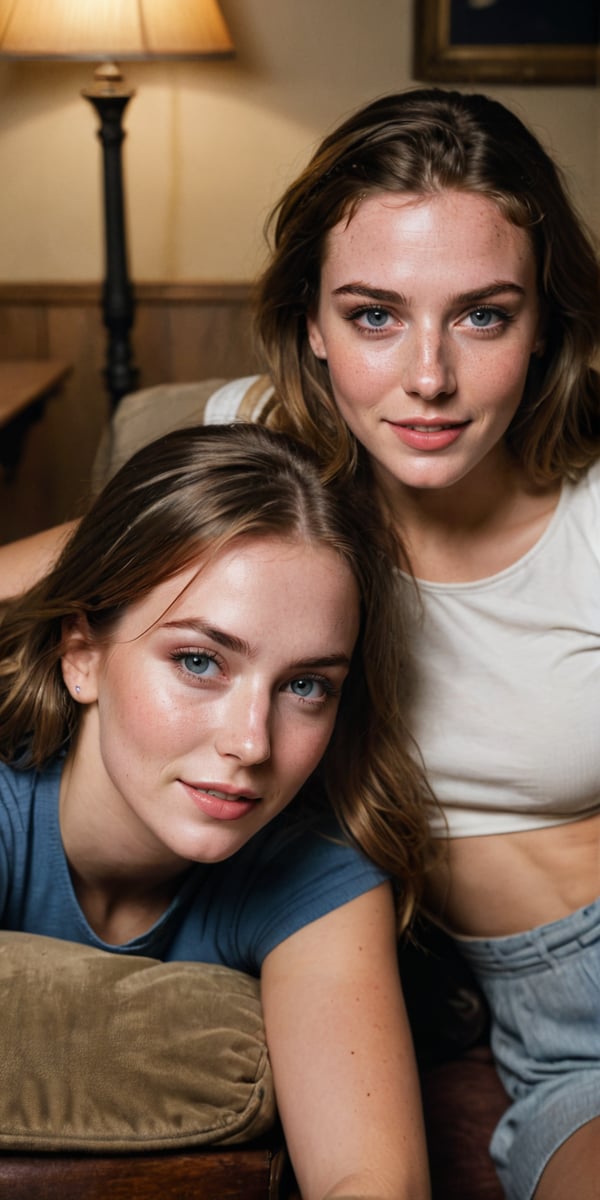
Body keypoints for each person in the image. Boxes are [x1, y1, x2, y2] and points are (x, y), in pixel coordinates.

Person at [1, 86, 599, 1199]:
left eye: (483, 314)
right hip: (496, 996)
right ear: (313, 327)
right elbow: (83, 570)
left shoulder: (591, 514)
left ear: (547, 322)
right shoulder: (258, 449)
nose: (427, 375)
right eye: (375, 314)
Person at [0, 422, 433, 1200]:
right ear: (82, 656)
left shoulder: (319, 867)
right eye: (200, 662)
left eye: (307, 685)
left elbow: (373, 1183)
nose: (250, 743)